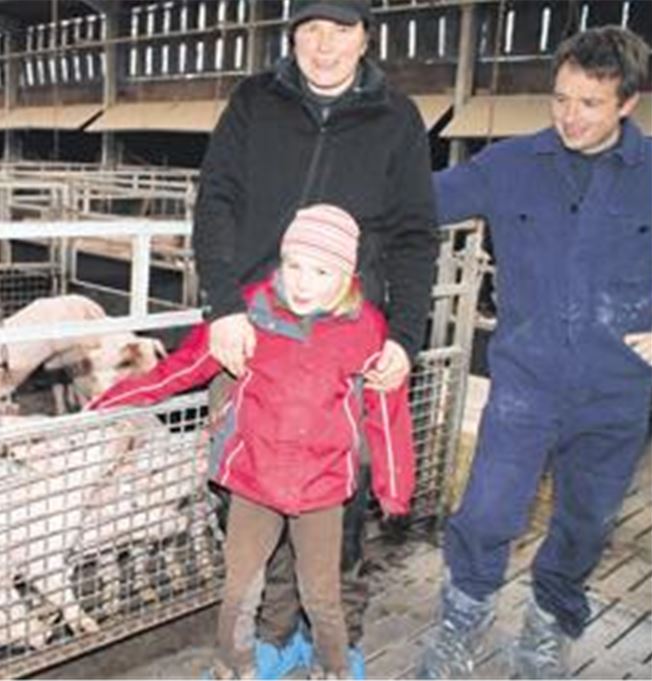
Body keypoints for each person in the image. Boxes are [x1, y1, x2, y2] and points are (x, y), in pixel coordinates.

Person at [191, 0, 437, 675]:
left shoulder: (398, 119)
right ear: (293, 34)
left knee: (340, 504)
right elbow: (215, 199)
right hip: (252, 331)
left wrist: (406, 337)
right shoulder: (253, 102)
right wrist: (222, 307)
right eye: (310, 29)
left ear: (366, 36)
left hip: (348, 341)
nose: (324, 46)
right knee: (243, 491)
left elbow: (416, 235)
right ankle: (271, 636)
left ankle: (339, 638)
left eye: (342, 29)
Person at [416, 26, 652, 679]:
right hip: (526, 381)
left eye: (590, 104)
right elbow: (414, 204)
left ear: (629, 102)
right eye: (560, 99)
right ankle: (459, 625)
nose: (569, 117)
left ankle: (548, 627)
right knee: (489, 508)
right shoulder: (510, 164)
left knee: (586, 521)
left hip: (617, 391)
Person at [91, 204, 416, 679]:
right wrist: (113, 400)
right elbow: (184, 366)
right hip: (253, 481)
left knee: (321, 593)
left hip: (322, 488)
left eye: (321, 270)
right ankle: (234, 667)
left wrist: (394, 487)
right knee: (240, 589)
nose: (303, 282)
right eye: (294, 265)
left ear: (347, 274)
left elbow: (387, 412)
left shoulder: (366, 330)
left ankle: (336, 668)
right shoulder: (249, 313)